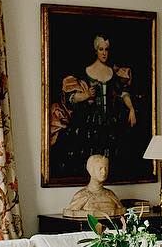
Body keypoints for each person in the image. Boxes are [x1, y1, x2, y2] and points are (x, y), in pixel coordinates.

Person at [50, 34, 140, 181]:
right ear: (95, 50)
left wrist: (131, 109)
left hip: (110, 122)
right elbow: (71, 97)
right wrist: (85, 96)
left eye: (106, 49)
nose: (104, 53)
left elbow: (123, 93)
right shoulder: (86, 71)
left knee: (111, 157)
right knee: (90, 158)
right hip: (89, 123)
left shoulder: (113, 73)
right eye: (101, 49)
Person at [63, 154, 126, 218]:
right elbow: (70, 212)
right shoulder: (82, 195)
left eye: (106, 168)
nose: (104, 172)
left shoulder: (110, 195)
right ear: (91, 170)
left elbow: (122, 210)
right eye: (100, 168)